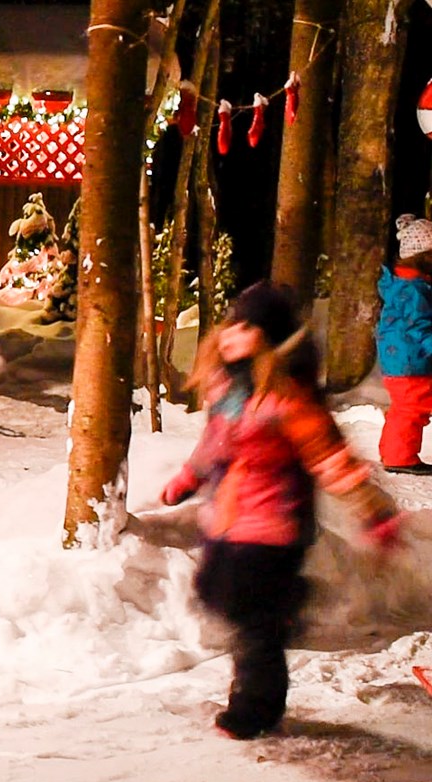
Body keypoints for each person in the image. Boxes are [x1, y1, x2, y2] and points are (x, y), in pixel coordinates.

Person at [160, 282, 401, 740]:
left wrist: (373, 511)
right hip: (228, 520)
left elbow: (331, 458)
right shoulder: (228, 389)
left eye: (246, 327)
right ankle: (287, 602)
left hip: (273, 526)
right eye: (232, 323)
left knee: (254, 624)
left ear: (268, 339)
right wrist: (188, 479)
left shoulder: (289, 398)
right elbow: (213, 445)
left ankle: (255, 708)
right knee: (213, 592)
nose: (231, 334)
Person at [374, 214, 432, 475]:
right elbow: (418, 328)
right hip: (410, 361)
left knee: (406, 408)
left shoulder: (405, 285)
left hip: (402, 359)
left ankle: (393, 453)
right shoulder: (413, 290)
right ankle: (399, 457)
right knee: (412, 409)